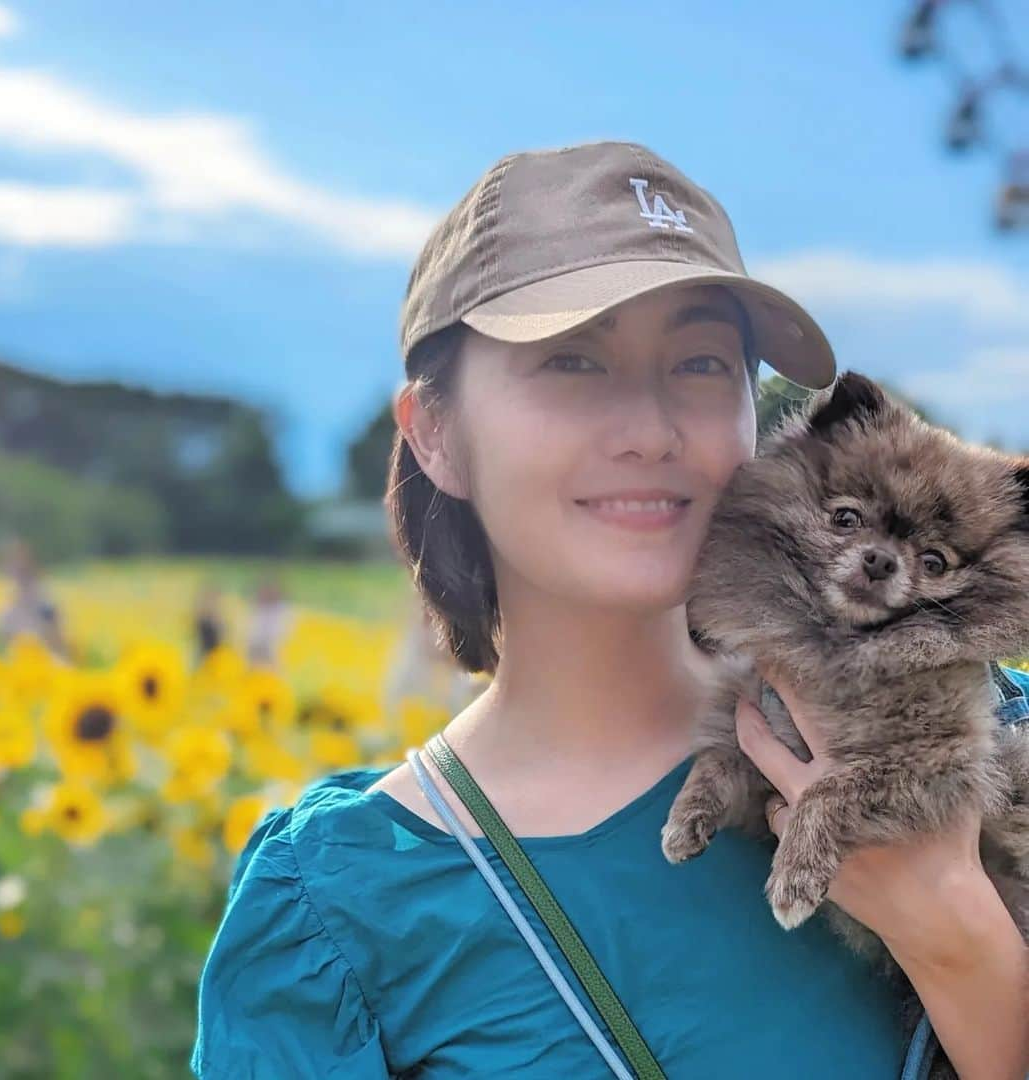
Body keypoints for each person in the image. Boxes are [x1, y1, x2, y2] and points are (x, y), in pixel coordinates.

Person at [191, 142, 1029, 1078]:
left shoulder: (1000, 725)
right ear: (434, 434)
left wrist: (960, 935)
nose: (650, 431)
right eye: (572, 361)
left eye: (703, 363)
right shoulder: (343, 910)